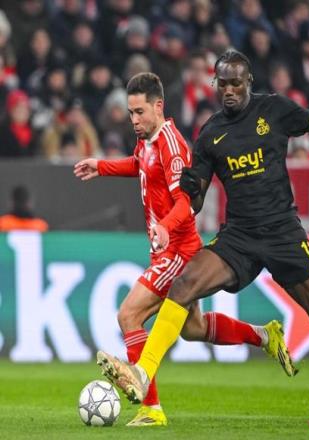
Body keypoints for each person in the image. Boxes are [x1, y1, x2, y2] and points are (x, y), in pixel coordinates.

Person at [95, 50, 309, 429]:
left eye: (236, 83)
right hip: (239, 237)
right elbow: (194, 198)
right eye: (223, 84)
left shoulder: (274, 110)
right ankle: (143, 373)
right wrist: (181, 207)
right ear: (215, 85)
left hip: (283, 234)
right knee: (184, 284)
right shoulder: (210, 134)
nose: (229, 90)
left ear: (248, 82)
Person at [74, 72, 294, 427]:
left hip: (178, 250)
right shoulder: (148, 140)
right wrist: (101, 166)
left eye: (140, 112)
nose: (134, 120)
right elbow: (140, 165)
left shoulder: (172, 146)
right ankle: (264, 335)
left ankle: (150, 408)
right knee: (193, 328)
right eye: (130, 113)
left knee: (129, 315)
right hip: (167, 248)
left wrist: (165, 226)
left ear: (158, 106)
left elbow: (186, 201)